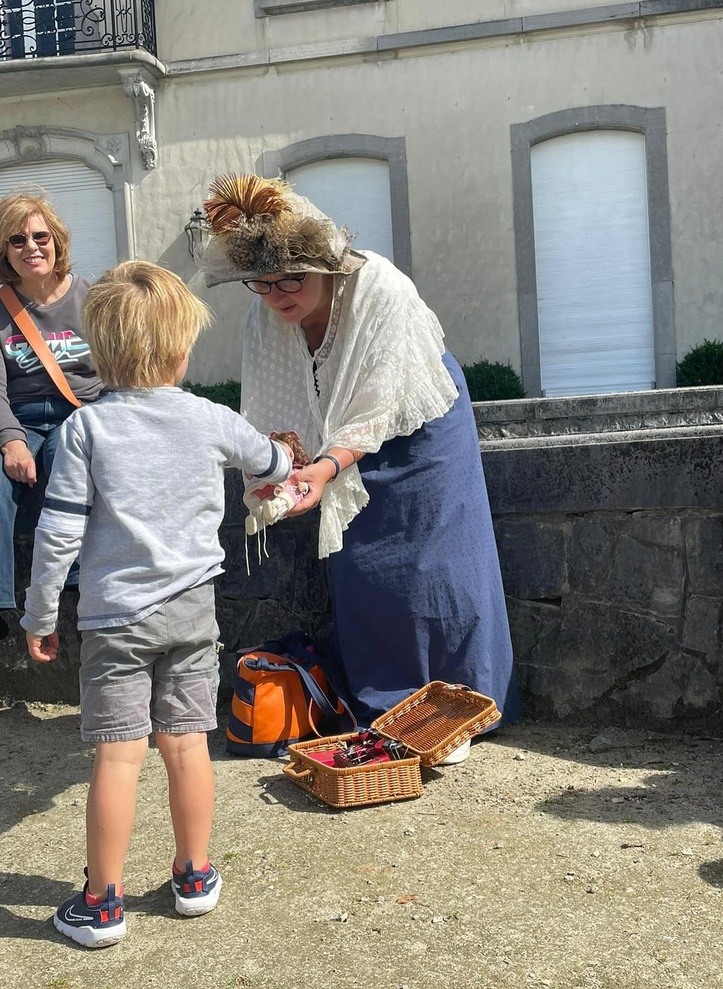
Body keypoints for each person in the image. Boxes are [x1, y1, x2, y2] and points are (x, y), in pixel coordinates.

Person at [21, 260, 294, 948]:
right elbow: (273, 464)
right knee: (186, 745)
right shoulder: (209, 418)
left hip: (116, 618)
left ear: (99, 351)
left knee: (118, 757)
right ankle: (195, 874)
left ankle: (102, 902)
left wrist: (40, 615)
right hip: (192, 611)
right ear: (180, 349)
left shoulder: (85, 431)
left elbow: (59, 533)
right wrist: (288, 461)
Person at [199, 174, 520, 748]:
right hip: (340, 438)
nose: (278, 295)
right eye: (263, 284)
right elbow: (275, 405)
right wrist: (280, 470)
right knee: (361, 567)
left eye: (292, 277)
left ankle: (463, 707)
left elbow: (377, 399)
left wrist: (325, 468)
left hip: (422, 421)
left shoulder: (383, 290)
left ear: (325, 263)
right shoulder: (268, 312)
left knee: (435, 565)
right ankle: (389, 705)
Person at [0, 191, 104, 638]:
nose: (31, 247)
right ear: (4, 251)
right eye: (17, 240)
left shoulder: (93, 298)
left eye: (40, 236)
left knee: (68, 456)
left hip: (79, 412)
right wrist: (11, 440)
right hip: (18, 415)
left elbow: (116, 371)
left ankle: (79, 583)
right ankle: (3, 602)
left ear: (57, 241)